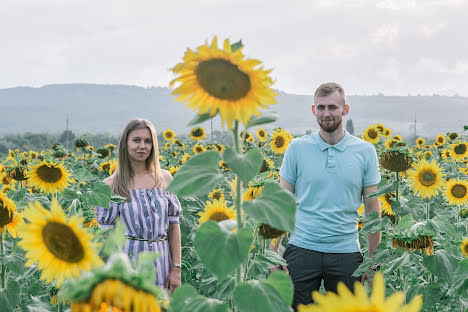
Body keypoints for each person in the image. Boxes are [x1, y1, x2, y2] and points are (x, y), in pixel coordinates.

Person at [272, 82, 381, 310]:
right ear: (314, 110)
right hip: (302, 248)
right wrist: (273, 254)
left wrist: (373, 259)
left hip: (346, 251)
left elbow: (372, 209)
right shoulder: (297, 148)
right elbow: (282, 203)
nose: (326, 113)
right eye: (321, 107)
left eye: (332, 107)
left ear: (345, 109)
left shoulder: (365, 152)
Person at [95, 118, 182, 294]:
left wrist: (176, 269)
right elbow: (104, 238)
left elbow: (174, 228)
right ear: (125, 143)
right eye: (136, 140)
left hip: (162, 264)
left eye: (147, 141)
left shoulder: (164, 179)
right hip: (128, 266)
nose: (142, 146)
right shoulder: (110, 185)